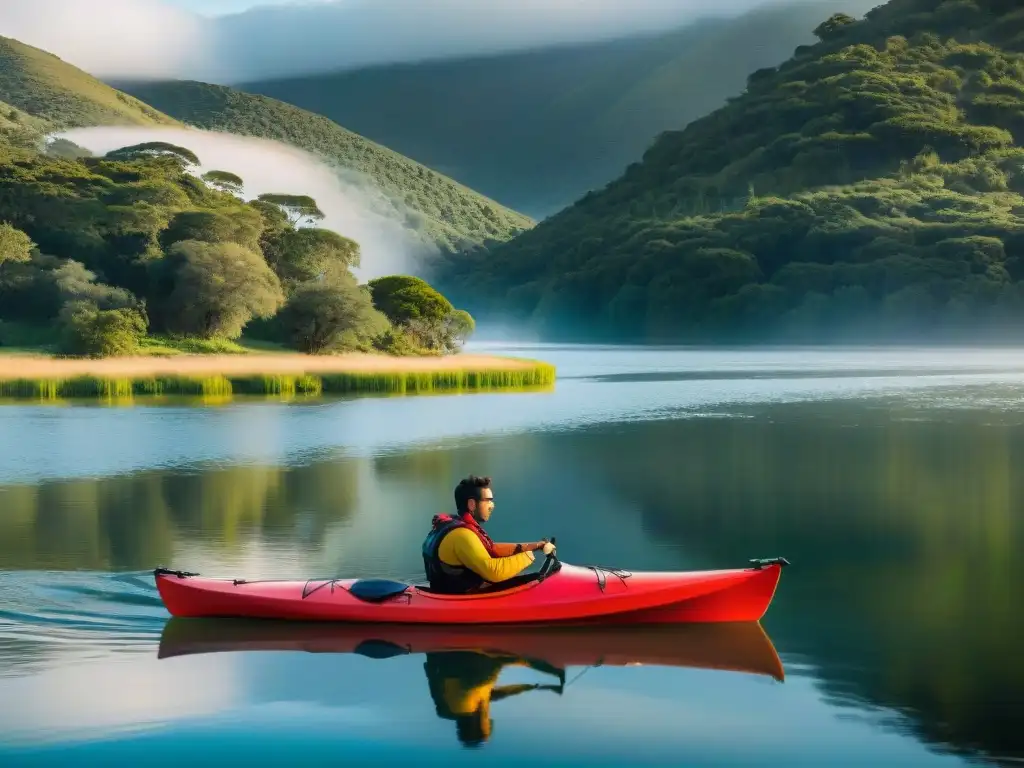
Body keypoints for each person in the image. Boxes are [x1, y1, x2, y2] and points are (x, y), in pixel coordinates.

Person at [422, 475, 556, 593]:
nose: (493, 505)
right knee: (536, 579)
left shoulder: (455, 526)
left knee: (532, 578)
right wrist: (534, 557)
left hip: (451, 593)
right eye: (488, 500)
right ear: (472, 504)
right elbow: (493, 572)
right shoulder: (461, 535)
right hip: (460, 601)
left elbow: (492, 549)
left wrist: (537, 546)